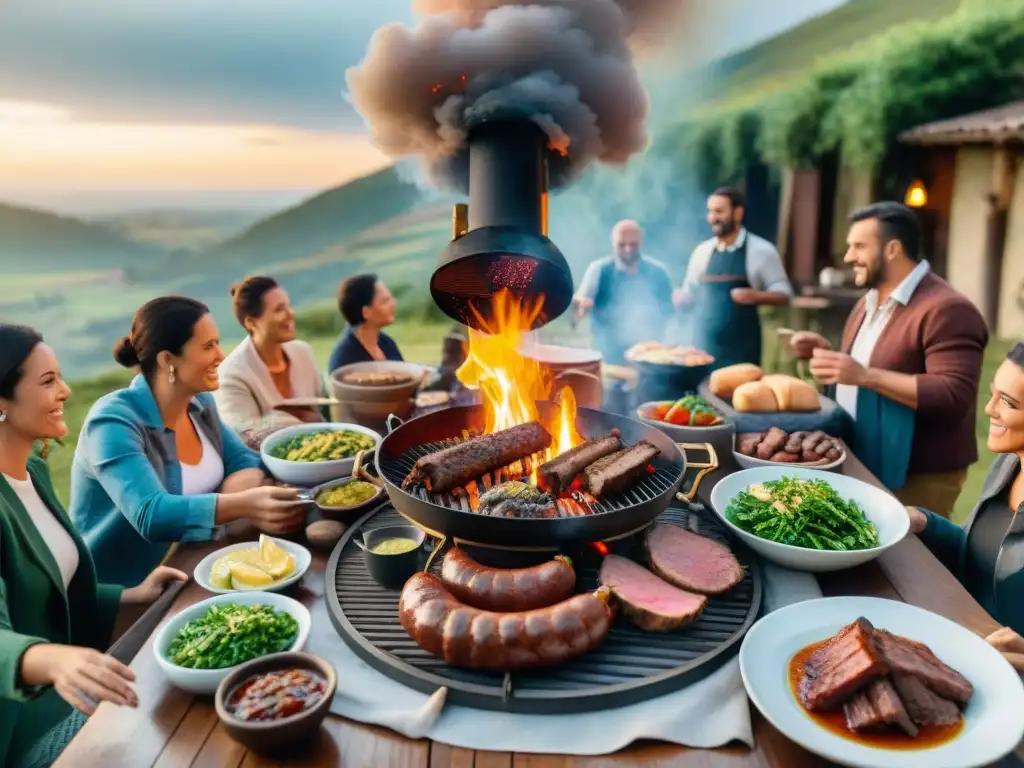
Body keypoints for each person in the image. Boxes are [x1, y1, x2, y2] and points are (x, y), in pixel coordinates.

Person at [0, 324, 186, 768]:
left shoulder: (32, 473)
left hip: (76, 690)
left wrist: (131, 596)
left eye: (60, 376)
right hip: (21, 725)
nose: (64, 390)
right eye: (47, 382)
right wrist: (50, 660)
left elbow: (52, 591)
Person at [71, 297, 307, 586]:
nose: (221, 355)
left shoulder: (199, 403)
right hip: (129, 592)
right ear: (167, 359)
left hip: (201, 564)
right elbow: (151, 514)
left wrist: (235, 503)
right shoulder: (112, 423)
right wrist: (243, 506)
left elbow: (244, 460)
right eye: (208, 346)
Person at [791, 202, 988, 517]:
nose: (848, 257)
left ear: (892, 248)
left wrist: (864, 375)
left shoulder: (947, 309)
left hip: (919, 474)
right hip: (865, 458)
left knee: (912, 562)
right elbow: (876, 364)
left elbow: (953, 393)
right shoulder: (868, 301)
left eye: (858, 246)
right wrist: (832, 358)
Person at [905, 343, 1024, 666]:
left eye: (1008, 403)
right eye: (993, 393)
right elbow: (979, 554)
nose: (989, 409)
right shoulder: (1007, 463)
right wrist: (923, 522)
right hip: (958, 644)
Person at [673, 187, 792, 370]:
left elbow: (785, 294)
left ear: (738, 213)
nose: (712, 218)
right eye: (710, 212)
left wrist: (755, 296)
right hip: (703, 348)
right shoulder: (702, 252)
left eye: (719, 211)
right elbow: (690, 294)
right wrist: (681, 298)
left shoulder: (761, 251)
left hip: (743, 351)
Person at [215, 276, 325, 431]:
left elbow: (323, 407)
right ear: (251, 323)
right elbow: (245, 436)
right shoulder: (231, 375)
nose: (291, 313)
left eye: (288, 306)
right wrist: (300, 421)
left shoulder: (303, 352)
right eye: (279, 309)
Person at [572, 220, 674, 364]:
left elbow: (670, 314)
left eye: (633, 244)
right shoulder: (598, 269)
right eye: (622, 244)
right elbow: (579, 306)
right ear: (613, 243)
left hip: (648, 356)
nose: (628, 249)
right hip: (606, 355)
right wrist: (581, 307)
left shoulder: (658, 272)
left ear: (641, 242)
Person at [327, 274, 403, 373]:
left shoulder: (386, 343)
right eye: (385, 301)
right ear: (366, 312)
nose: (393, 303)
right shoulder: (345, 361)